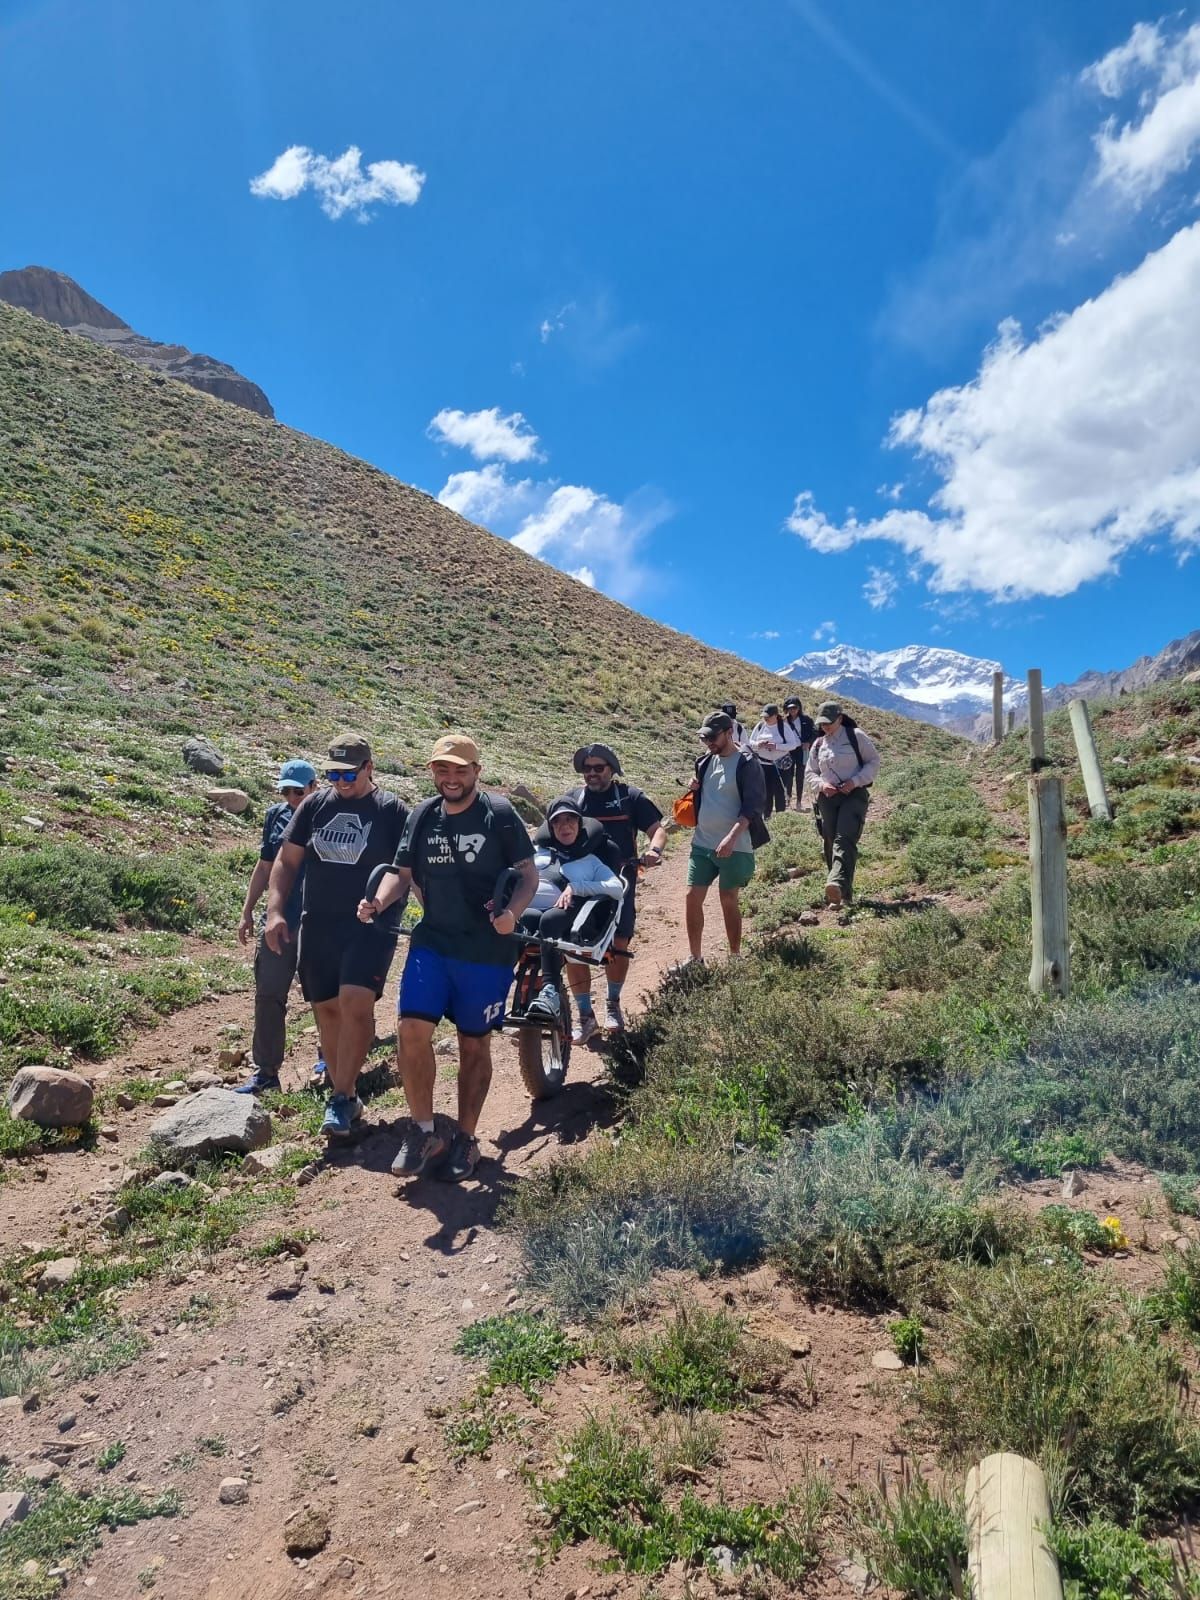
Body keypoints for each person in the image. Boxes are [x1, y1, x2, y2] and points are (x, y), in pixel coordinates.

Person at [360, 734, 538, 1183]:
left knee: (473, 1044)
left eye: (461, 770)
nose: (452, 778)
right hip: (432, 944)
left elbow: (529, 875)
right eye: (444, 769)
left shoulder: (498, 814)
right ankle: (423, 1131)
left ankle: (465, 1137)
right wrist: (378, 902)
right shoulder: (423, 815)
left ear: (477, 771)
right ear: (432, 770)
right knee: (411, 1031)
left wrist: (512, 913)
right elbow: (402, 878)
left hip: (485, 952)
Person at [265, 734, 409, 1139]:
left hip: (370, 924)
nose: (341, 783)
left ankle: (342, 1096)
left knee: (355, 1002)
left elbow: (403, 871)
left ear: (369, 768)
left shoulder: (391, 810)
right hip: (319, 923)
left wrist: (379, 902)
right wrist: (275, 911)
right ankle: (344, 1091)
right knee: (326, 1009)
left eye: (349, 774)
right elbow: (287, 860)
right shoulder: (314, 805)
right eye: (333, 774)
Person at [568, 742, 667, 1038]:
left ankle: (612, 1004)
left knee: (619, 943)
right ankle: (585, 1014)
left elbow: (657, 829)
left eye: (598, 768)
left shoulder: (629, 797)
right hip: (581, 882)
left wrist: (654, 850)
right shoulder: (574, 799)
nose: (592, 774)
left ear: (612, 770)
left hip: (621, 880)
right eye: (587, 769)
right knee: (574, 947)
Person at [235, 759, 318, 1094]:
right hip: (278, 918)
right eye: (286, 791)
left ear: (314, 787)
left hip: (318, 920)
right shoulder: (276, 815)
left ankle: (330, 1061)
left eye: (298, 791)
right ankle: (266, 1072)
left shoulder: (330, 814)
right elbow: (265, 864)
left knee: (323, 995)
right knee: (269, 993)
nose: (292, 798)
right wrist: (247, 910)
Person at [520, 796, 627, 1022]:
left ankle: (550, 991)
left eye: (570, 820)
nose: (564, 826)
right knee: (516, 921)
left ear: (580, 824)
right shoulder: (538, 854)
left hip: (572, 914)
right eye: (558, 822)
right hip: (534, 911)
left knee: (548, 921)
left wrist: (576, 887)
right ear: (550, 827)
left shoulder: (589, 861)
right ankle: (498, 988)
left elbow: (616, 887)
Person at [684, 712, 766, 962]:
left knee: (728, 899)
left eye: (713, 737)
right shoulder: (705, 761)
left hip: (736, 844)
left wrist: (731, 838)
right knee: (691, 898)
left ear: (729, 733)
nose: (709, 743)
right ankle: (695, 958)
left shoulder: (747, 762)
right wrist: (694, 788)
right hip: (703, 842)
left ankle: (734, 956)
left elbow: (752, 806)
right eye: (704, 738)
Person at [806, 700, 880, 908]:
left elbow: (873, 761)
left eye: (829, 722)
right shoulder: (819, 744)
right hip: (827, 798)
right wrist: (821, 784)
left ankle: (835, 882)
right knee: (829, 841)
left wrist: (855, 781)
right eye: (822, 723)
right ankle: (841, 894)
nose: (825, 727)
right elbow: (810, 772)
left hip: (854, 795)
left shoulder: (856, 737)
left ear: (840, 718)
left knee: (844, 838)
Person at [749, 703, 803, 817]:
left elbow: (793, 745)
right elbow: (750, 743)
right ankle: (766, 816)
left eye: (768, 716)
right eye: (764, 716)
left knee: (779, 792)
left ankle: (780, 817)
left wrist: (776, 746)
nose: (765, 718)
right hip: (763, 764)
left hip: (780, 765)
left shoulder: (783, 726)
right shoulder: (760, 726)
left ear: (775, 715)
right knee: (766, 792)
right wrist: (759, 744)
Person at [782, 696, 816, 812]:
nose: (792, 710)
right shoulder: (784, 721)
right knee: (788, 775)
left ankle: (799, 801)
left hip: (802, 750)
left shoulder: (807, 719)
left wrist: (808, 742)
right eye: (790, 708)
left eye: (795, 708)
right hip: (789, 750)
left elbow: (815, 733)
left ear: (799, 708)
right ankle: (788, 799)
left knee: (800, 776)